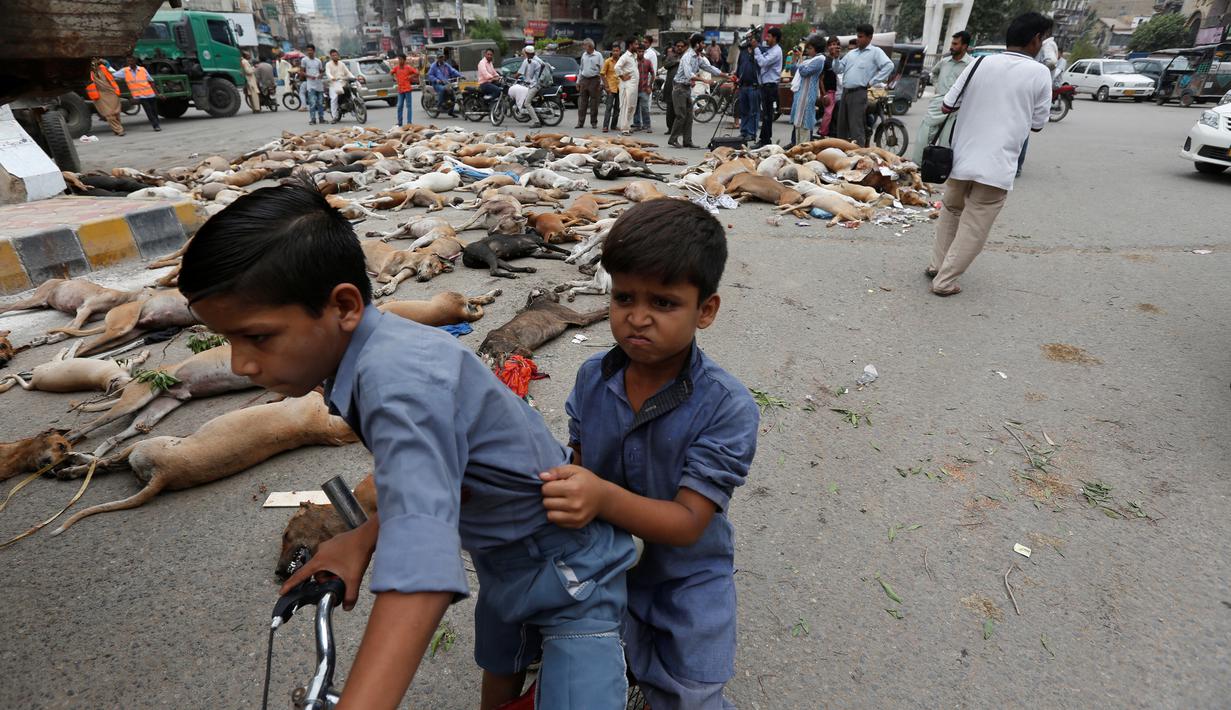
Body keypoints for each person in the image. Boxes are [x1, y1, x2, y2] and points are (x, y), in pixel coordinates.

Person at [178, 182, 637, 710]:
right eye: (228, 340)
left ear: (344, 305)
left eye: (257, 337)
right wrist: (366, 537)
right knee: (499, 664)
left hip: (572, 571)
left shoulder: (398, 382)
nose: (241, 365)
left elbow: (422, 571)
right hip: (503, 562)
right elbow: (433, 482)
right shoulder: (366, 357)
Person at [540, 198, 759, 710]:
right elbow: (577, 463)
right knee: (576, 662)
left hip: (686, 576)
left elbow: (687, 523)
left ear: (706, 310)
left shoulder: (727, 407)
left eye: (663, 303)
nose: (637, 318)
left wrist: (598, 496)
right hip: (602, 560)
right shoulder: (593, 378)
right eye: (624, 298)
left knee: (690, 695)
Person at [927, 12, 1052, 297]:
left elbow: (947, 105)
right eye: (1044, 39)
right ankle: (944, 281)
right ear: (1035, 39)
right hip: (997, 165)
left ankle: (937, 266)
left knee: (951, 211)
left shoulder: (979, 64)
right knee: (975, 224)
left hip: (960, 159)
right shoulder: (1040, 73)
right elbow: (1038, 124)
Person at [910, 31, 972, 164]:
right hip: (938, 103)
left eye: (956, 44)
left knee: (946, 141)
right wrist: (938, 86)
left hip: (956, 108)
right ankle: (918, 166)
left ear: (965, 46)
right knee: (924, 136)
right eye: (952, 43)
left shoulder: (971, 65)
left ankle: (938, 169)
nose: (952, 46)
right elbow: (934, 74)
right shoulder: (944, 62)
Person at [834, 25, 893, 146]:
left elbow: (889, 66)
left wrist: (872, 81)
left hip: (858, 93)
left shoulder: (875, 52)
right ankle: (841, 155)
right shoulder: (852, 53)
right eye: (857, 36)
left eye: (860, 37)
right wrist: (835, 58)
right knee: (841, 127)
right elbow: (838, 69)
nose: (858, 39)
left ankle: (859, 156)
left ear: (869, 37)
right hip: (845, 92)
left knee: (856, 128)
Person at [671, 33, 730, 148]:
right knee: (681, 116)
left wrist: (726, 75)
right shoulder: (687, 57)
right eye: (703, 43)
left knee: (689, 116)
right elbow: (689, 75)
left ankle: (687, 141)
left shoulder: (698, 57)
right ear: (697, 44)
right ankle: (673, 139)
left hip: (686, 88)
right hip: (679, 88)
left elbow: (710, 68)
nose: (704, 45)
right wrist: (704, 80)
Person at [1017, 29, 1059, 176]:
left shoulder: (1047, 45)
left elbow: (1052, 62)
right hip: (1034, 88)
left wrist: (1036, 72)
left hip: (1034, 90)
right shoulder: (1047, 45)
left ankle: (1017, 167)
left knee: (1023, 128)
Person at [788, 34, 827, 147]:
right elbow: (794, 70)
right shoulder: (809, 60)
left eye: (810, 48)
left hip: (808, 95)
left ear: (817, 48)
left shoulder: (819, 59)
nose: (808, 51)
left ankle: (805, 151)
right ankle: (797, 149)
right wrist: (796, 58)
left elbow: (804, 72)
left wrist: (800, 59)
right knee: (798, 126)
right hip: (801, 96)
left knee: (805, 124)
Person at [755, 27, 783, 147]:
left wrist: (756, 48)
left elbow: (762, 62)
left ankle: (765, 140)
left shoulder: (776, 51)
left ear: (775, 38)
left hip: (770, 86)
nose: (767, 39)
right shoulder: (771, 50)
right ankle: (765, 139)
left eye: (769, 36)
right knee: (766, 114)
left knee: (767, 115)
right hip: (766, 85)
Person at [86, 58, 124, 136]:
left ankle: (117, 129)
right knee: (109, 114)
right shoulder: (88, 72)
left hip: (111, 92)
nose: (93, 64)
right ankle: (119, 130)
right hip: (99, 95)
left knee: (116, 113)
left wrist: (106, 63)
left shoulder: (104, 68)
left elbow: (113, 72)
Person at [734, 33, 761, 143]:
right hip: (743, 85)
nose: (749, 40)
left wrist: (754, 52)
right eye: (749, 39)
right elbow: (739, 67)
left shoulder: (759, 52)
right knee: (744, 110)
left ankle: (751, 133)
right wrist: (736, 80)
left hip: (754, 86)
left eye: (752, 39)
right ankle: (744, 131)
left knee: (753, 111)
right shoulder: (743, 52)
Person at [513, 45, 549, 127]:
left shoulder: (531, 61)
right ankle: (538, 117)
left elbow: (522, 72)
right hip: (537, 83)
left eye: (524, 53)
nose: (523, 55)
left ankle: (537, 122)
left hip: (535, 85)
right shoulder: (536, 59)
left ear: (527, 53)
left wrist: (514, 76)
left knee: (527, 103)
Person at [576, 39, 603, 129]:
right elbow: (581, 68)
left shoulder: (598, 55)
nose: (583, 47)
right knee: (582, 102)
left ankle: (593, 122)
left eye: (585, 45)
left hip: (594, 80)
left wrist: (601, 83)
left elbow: (602, 70)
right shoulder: (584, 55)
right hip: (584, 79)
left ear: (590, 46)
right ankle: (580, 122)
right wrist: (578, 81)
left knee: (594, 103)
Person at [817, 37, 841, 138]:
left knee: (836, 115)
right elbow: (821, 79)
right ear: (827, 47)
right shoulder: (825, 61)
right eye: (830, 45)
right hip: (829, 92)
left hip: (839, 92)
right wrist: (824, 94)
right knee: (828, 114)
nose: (832, 47)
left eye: (835, 44)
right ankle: (822, 133)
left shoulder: (840, 60)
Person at [615, 38, 640, 135]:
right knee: (626, 106)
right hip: (627, 86)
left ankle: (627, 126)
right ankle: (624, 129)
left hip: (634, 85)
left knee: (632, 106)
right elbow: (617, 67)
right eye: (636, 44)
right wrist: (622, 76)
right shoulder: (625, 56)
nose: (637, 46)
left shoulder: (634, 56)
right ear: (630, 45)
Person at [662, 40, 685, 136]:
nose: (679, 48)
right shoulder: (671, 56)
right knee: (670, 109)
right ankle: (670, 128)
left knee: (680, 109)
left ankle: (680, 129)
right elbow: (666, 65)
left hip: (682, 86)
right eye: (678, 46)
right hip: (670, 86)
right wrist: (676, 62)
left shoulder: (686, 57)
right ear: (675, 47)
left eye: (681, 46)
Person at [428, 52, 462, 117]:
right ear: (437, 58)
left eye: (442, 57)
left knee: (453, 94)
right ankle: (439, 106)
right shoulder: (433, 66)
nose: (441, 59)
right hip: (437, 84)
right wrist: (436, 80)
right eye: (440, 57)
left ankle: (450, 111)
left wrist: (460, 75)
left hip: (446, 83)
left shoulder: (446, 65)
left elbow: (453, 71)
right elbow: (430, 75)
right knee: (443, 90)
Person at [325, 49, 355, 123]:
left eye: (336, 55)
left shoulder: (342, 64)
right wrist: (332, 78)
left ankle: (353, 109)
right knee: (334, 99)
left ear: (338, 55)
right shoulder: (328, 64)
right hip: (334, 84)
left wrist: (353, 77)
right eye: (333, 55)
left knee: (351, 93)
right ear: (331, 56)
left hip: (343, 83)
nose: (335, 56)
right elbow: (328, 73)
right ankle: (334, 117)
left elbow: (347, 72)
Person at [390, 53, 417, 126]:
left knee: (409, 106)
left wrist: (410, 77)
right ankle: (400, 122)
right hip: (400, 90)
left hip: (407, 89)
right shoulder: (396, 68)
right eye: (399, 59)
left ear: (404, 60)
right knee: (399, 106)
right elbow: (391, 73)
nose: (399, 61)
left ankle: (409, 122)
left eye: (401, 59)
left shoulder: (408, 67)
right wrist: (394, 78)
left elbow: (416, 73)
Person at [601, 43, 622, 133]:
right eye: (613, 51)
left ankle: (613, 125)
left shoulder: (622, 61)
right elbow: (602, 74)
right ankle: (605, 126)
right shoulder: (608, 61)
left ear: (620, 51)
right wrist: (606, 86)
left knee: (617, 108)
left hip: (620, 88)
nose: (615, 52)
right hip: (610, 88)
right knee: (608, 107)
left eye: (617, 51)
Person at [302, 45, 325, 124]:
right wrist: (309, 76)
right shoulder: (304, 60)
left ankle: (321, 118)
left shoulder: (318, 61)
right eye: (308, 50)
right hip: (310, 85)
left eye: (311, 50)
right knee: (312, 102)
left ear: (314, 51)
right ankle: (313, 119)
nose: (309, 52)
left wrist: (321, 75)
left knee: (320, 103)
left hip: (319, 85)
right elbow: (302, 72)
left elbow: (321, 71)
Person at [634, 43, 654, 132]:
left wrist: (650, 86)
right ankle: (637, 124)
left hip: (644, 89)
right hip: (634, 89)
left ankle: (647, 125)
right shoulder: (633, 62)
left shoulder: (647, 62)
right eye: (639, 51)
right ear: (636, 52)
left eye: (642, 51)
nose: (641, 53)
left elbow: (653, 74)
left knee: (645, 108)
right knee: (635, 108)